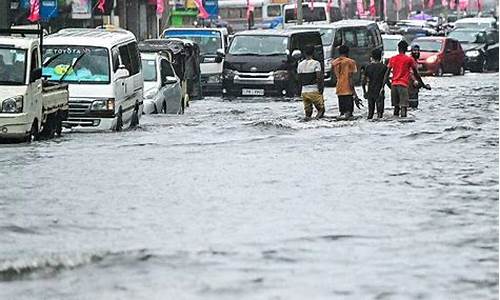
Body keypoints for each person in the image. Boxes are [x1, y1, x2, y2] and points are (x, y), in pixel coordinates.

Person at [382, 40, 430, 118]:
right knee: (404, 107)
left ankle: (395, 126)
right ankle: (403, 126)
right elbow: (416, 74)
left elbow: (386, 74)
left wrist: (383, 87)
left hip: (394, 86)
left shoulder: (392, 59)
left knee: (396, 108)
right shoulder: (409, 60)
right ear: (406, 49)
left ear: (398, 48)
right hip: (403, 86)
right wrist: (423, 85)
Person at [331, 45, 361, 118]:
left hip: (339, 89)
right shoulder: (350, 62)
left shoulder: (334, 63)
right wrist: (355, 95)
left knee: (342, 113)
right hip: (348, 90)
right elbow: (350, 79)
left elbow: (334, 77)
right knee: (348, 114)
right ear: (348, 52)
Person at [297, 45, 324, 119]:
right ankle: (316, 123)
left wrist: (299, 92)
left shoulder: (300, 64)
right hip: (314, 90)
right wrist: (321, 88)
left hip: (304, 91)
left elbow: (299, 79)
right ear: (314, 52)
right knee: (321, 110)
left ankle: (307, 124)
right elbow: (319, 77)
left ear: (304, 53)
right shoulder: (316, 63)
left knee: (308, 113)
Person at [362, 48, 388, 119]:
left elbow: (363, 82)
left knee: (370, 114)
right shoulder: (384, 67)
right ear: (380, 57)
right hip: (379, 92)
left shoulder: (368, 67)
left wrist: (365, 92)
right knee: (380, 114)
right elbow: (386, 80)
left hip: (370, 92)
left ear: (372, 57)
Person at [408, 44, 429, 109]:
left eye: (417, 50)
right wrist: (415, 81)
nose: (416, 52)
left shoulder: (415, 60)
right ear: (411, 51)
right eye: (414, 50)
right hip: (411, 85)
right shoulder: (411, 60)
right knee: (413, 104)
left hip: (413, 85)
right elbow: (411, 72)